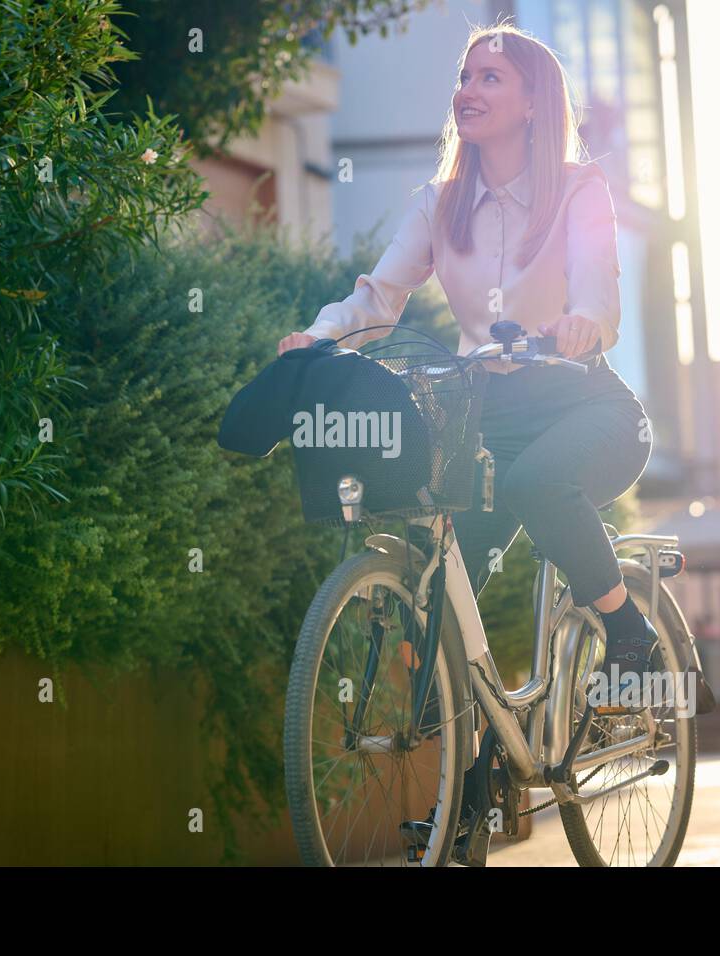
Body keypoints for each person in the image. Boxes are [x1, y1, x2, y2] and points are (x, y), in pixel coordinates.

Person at [277, 23, 657, 681]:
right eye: (464, 77)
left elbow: (599, 285)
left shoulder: (578, 190)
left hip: (587, 408)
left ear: (534, 102)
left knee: (536, 484)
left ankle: (631, 632)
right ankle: (477, 766)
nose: (467, 91)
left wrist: (584, 322)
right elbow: (378, 296)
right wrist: (318, 337)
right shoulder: (439, 204)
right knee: (443, 591)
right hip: (488, 422)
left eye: (489, 77)